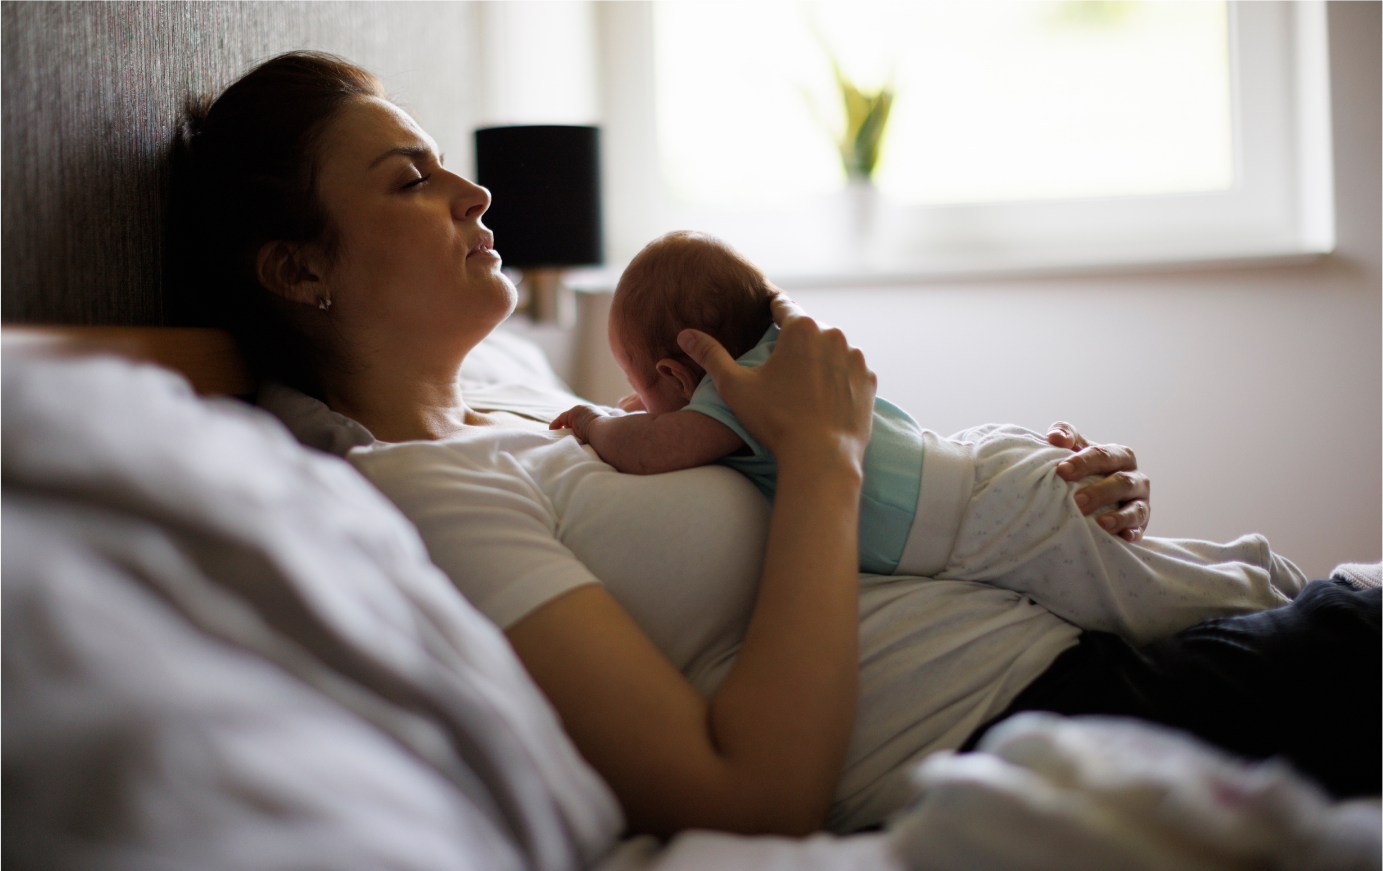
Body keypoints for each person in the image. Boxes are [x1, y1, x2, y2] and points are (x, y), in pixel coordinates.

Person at [169, 51, 1380, 837]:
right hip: (1038, 717)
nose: (475, 196)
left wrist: (1039, 495)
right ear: (298, 267)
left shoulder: (526, 420)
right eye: (409, 181)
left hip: (1092, 647)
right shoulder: (424, 497)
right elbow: (749, 793)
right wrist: (826, 459)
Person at [549, 231, 1307, 645]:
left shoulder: (730, 396)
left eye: (641, 387)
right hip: (981, 467)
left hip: (982, 512)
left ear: (673, 373)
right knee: (1134, 574)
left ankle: (1263, 583)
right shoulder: (784, 353)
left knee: (1140, 602)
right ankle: (1248, 567)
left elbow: (649, 449)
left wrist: (594, 422)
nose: (642, 407)